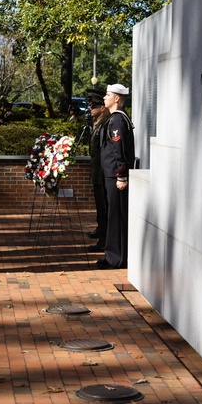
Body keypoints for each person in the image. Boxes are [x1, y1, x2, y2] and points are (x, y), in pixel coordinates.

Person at [98, 83, 135, 269]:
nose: (104, 98)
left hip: (116, 176)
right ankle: (112, 255)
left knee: (117, 217)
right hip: (111, 175)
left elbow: (119, 150)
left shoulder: (118, 121)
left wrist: (121, 176)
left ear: (117, 98)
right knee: (113, 216)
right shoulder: (114, 119)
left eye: (107, 95)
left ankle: (117, 258)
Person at [86, 90, 109, 252]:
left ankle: (104, 239)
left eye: (93, 105)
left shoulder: (106, 123)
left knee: (104, 208)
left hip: (102, 174)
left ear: (102, 108)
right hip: (97, 174)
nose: (90, 108)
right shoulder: (98, 124)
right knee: (100, 208)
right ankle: (101, 231)